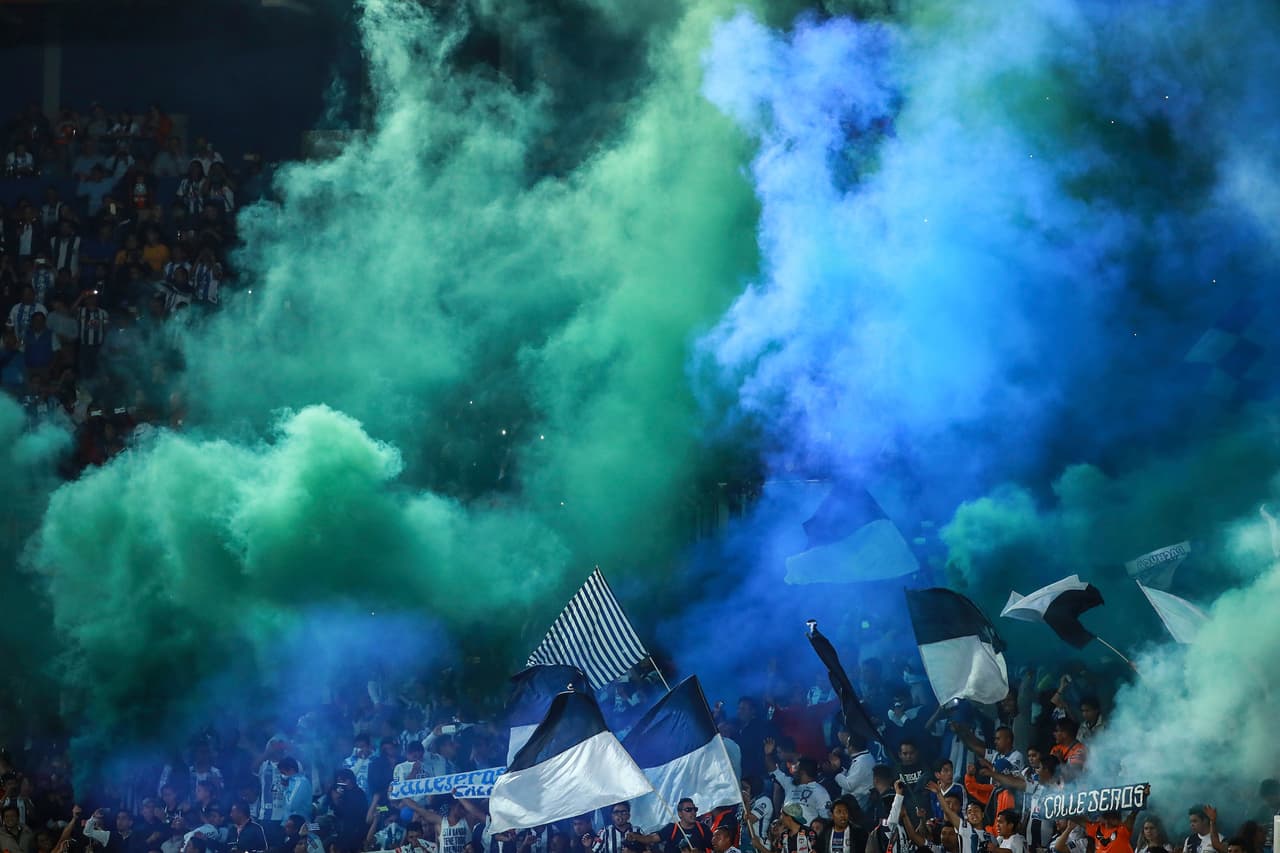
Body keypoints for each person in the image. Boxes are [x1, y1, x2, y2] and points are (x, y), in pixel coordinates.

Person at [769, 754, 831, 824]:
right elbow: (774, 770)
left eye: (796, 768)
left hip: (805, 833)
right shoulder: (789, 783)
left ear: (802, 772)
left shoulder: (820, 792)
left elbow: (826, 818)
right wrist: (768, 754)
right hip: (786, 832)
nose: (793, 772)